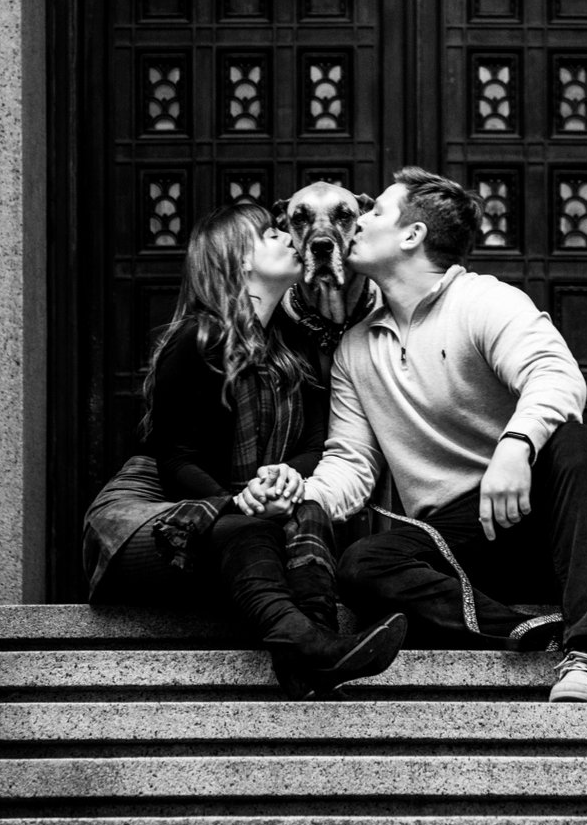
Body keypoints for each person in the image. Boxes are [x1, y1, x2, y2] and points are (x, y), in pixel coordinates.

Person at [303, 166, 587, 704]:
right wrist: (300, 498)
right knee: (363, 565)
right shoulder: (355, 349)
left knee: (573, 441)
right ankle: (540, 630)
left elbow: (556, 377)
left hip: (549, 515)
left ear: (411, 236)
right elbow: (351, 461)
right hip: (461, 544)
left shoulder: (484, 301)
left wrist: (516, 447)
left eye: (375, 213)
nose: (358, 223)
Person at [82, 202, 406, 698]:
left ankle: (310, 660)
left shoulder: (294, 348)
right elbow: (174, 460)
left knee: (309, 509)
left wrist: (285, 478)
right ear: (238, 261)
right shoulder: (197, 338)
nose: (288, 238)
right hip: (149, 517)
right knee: (252, 526)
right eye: (271, 234)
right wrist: (239, 501)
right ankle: (316, 649)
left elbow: (315, 445)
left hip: (237, 519)